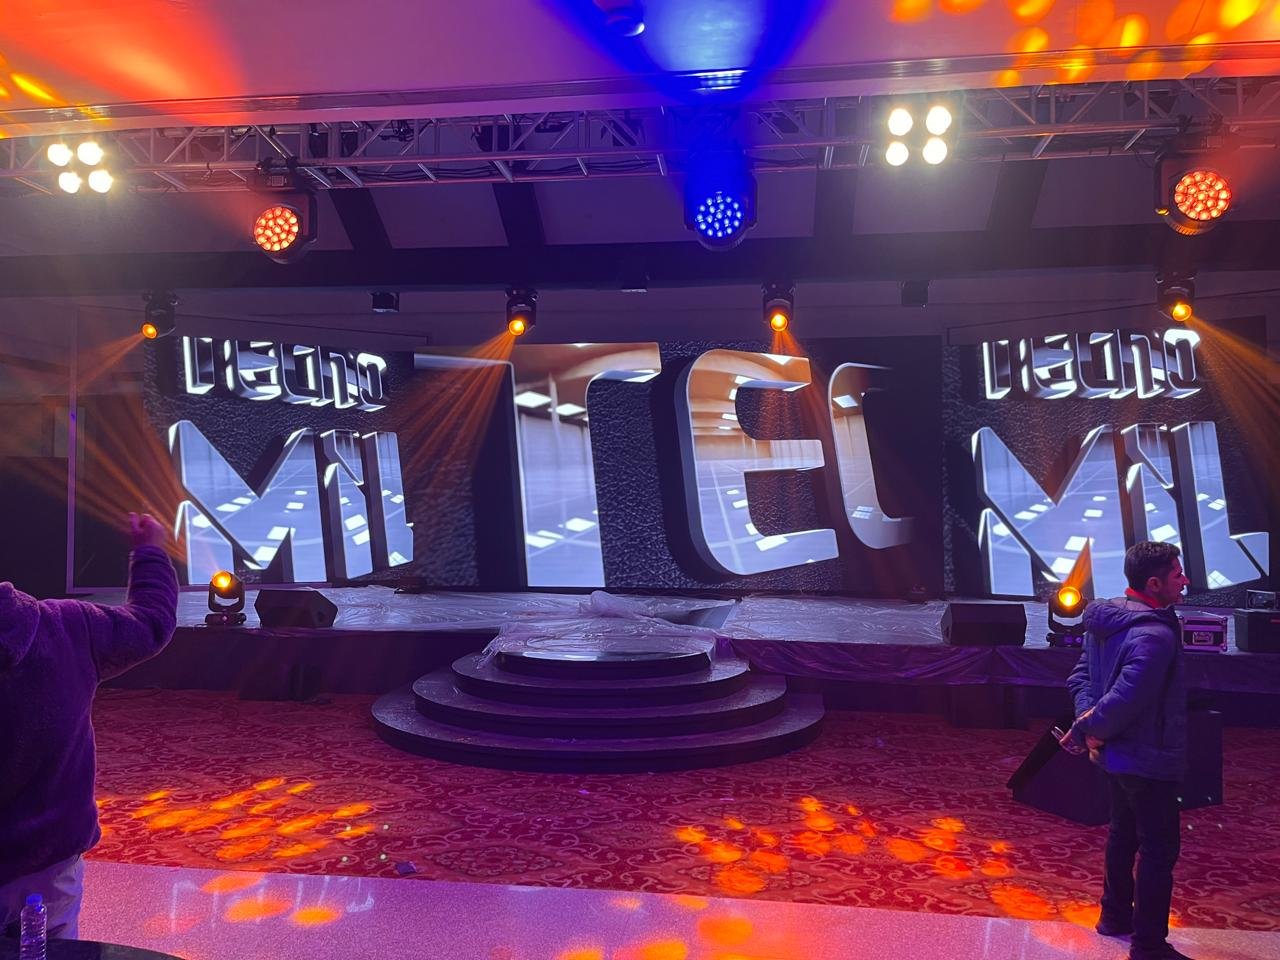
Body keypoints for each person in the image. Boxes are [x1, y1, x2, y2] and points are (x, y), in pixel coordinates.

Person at [0, 513, 178, 940]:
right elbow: (151, 622)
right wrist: (149, 551)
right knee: (53, 946)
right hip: (47, 860)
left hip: (49, 858)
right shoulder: (68, 627)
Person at [1063, 541, 1192, 960]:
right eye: (1177, 575)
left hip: (1115, 755)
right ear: (1153, 584)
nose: (1185, 580)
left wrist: (1089, 727)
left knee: (1123, 834)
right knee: (1158, 849)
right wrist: (1088, 731)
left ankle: (1114, 917)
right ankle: (1149, 946)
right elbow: (1125, 699)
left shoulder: (1107, 620)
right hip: (1148, 757)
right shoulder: (1155, 635)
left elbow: (1082, 680)